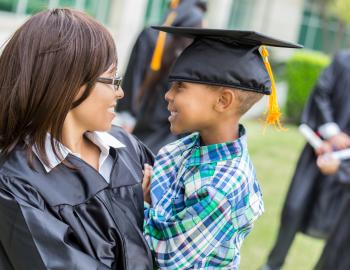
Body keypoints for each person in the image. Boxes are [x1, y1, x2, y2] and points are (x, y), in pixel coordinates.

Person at [0, 9, 154, 270]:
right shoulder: (15, 181)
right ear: (70, 83)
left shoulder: (127, 148)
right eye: (113, 79)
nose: (120, 92)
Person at [142, 26, 301, 269]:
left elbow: (167, 254)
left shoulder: (225, 185)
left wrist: (138, 202)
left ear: (223, 101)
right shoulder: (186, 148)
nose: (168, 95)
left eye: (180, 87)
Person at [262, 50, 350, 270]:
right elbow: (321, 93)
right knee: (295, 207)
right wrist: (331, 134)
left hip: (347, 163)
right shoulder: (343, 60)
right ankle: (273, 264)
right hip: (319, 148)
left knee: (340, 231)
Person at [116, 0, 206, 153]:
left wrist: (127, 115)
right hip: (175, 131)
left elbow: (133, 78)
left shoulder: (151, 36)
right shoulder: (199, 48)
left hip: (144, 123)